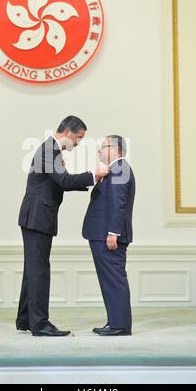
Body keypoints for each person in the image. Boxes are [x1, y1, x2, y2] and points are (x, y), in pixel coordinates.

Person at [16, 116, 109, 337]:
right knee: (39, 271)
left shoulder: (51, 152)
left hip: (35, 217)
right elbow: (65, 181)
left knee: (32, 270)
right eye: (78, 138)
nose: (78, 143)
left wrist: (75, 176)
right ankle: (40, 324)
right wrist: (93, 175)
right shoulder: (49, 150)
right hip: (37, 218)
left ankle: (25, 319)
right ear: (67, 132)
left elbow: (59, 182)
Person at [82, 135, 135, 336]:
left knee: (114, 280)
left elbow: (118, 202)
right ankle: (115, 322)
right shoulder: (114, 170)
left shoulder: (120, 168)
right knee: (109, 281)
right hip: (101, 235)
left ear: (115, 149)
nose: (99, 151)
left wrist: (113, 232)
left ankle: (120, 325)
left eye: (102, 147)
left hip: (108, 236)